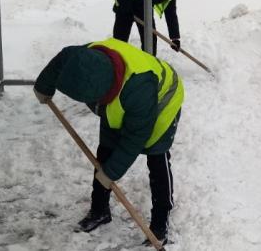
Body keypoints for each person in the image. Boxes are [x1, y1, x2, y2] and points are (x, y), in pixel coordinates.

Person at [33, 38, 184, 245]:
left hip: (162, 99)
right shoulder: (84, 56)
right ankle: (100, 210)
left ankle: (160, 222)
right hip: (121, 100)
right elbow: (63, 59)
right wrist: (44, 86)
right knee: (105, 151)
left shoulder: (139, 87)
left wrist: (111, 173)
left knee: (156, 155)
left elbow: (134, 139)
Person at [113, 0, 186, 55]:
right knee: (120, 39)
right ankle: (116, 62)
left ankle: (149, 63)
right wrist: (125, 8)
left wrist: (175, 38)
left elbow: (171, 13)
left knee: (150, 40)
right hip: (125, 6)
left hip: (144, 10)